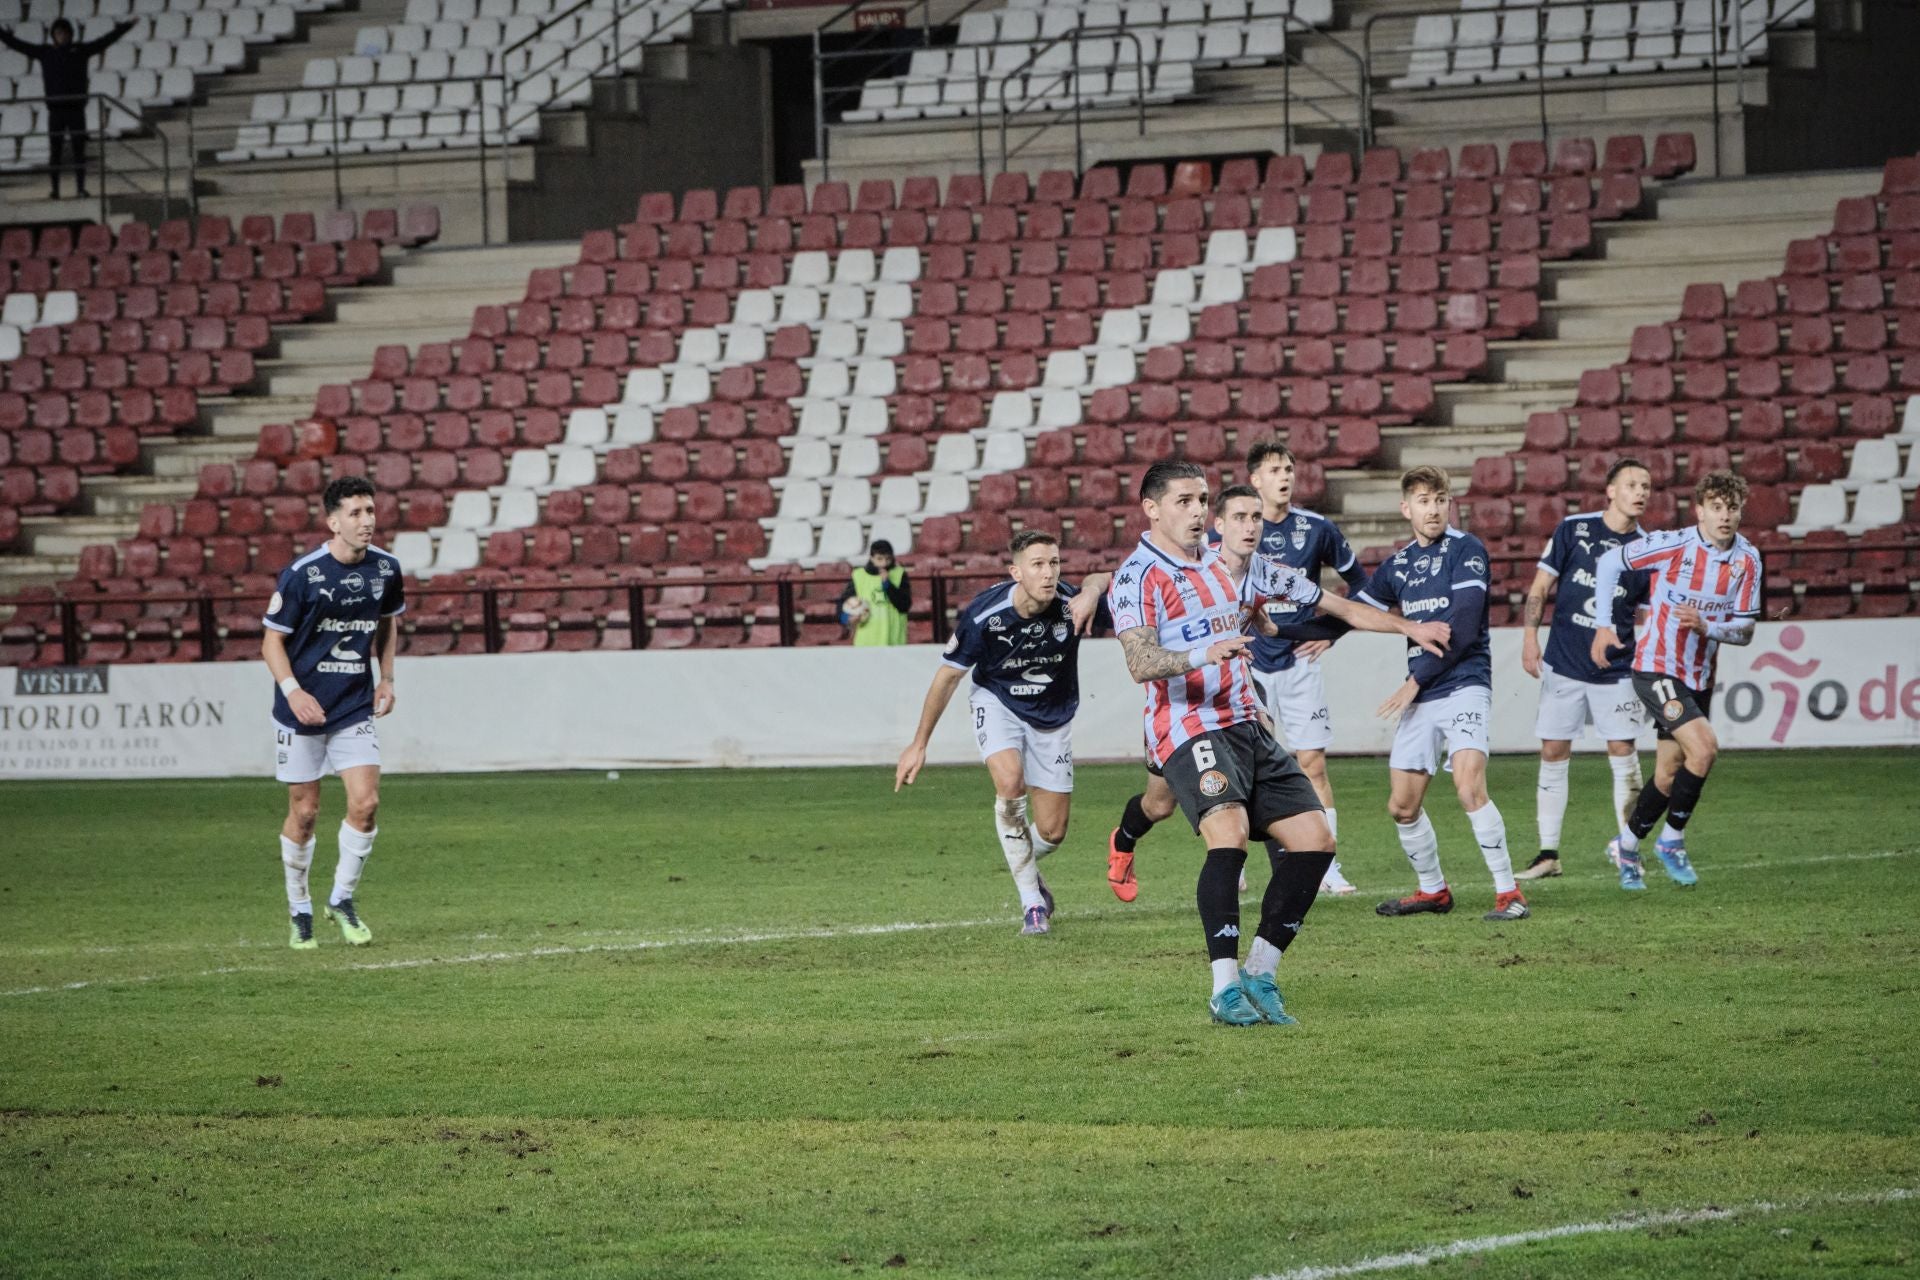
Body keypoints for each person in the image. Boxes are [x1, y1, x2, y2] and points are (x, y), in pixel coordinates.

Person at [1108, 462, 1451, 1026]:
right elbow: (1141, 661)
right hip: (1189, 724)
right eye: (1185, 502)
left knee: (1315, 841)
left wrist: (1408, 627)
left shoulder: (1229, 570)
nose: (1198, 512)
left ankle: (1261, 973)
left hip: (1245, 721)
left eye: (1202, 501)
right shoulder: (1139, 576)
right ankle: (1223, 991)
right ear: (1152, 508)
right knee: (1228, 834)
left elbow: (1333, 607)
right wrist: (1203, 655)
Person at [894, 531, 1107, 935]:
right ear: (1016, 572)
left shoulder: (1071, 604)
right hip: (998, 702)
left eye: (1055, 563)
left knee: (1053, 832)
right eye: (1038, 565)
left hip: (1054, 716)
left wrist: (1093, 589)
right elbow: (946, 679)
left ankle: (1022, 860)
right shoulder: (983, 615)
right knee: (1009, 781)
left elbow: (1112, 578)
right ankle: (1032, 904)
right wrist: (919, 744)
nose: (1048, 573)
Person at [1362, 466, 1530, 923]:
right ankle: (1433, 891)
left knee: (1469, 787)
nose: (1432, 508)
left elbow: (1467, 621)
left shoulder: (1466, 549)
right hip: (1424, 695)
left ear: (1448, 503)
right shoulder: (1397, 566)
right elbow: (1356, 613)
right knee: (1401, 805)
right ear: (1406, 508)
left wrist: (1414, 682)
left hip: (1463, 685)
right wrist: (1293, 631)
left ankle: (1508, 893)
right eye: (1422, 500)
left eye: (1439, 499)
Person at [1589, 470, 1762, 891]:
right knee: (1704, 749)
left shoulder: (1747, 560)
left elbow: (1745, 630)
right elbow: (1610, 560)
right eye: (1716, 508)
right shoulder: (1673, 545)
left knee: (1669, 774)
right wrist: (1603, 624)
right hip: (1656, 666)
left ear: (1740, 512)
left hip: (1698, 674)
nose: (1724, 516)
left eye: (1732, 508)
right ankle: (1672, 840)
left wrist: (1709, 627)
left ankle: (1626, 844)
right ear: (1700, 511)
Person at [261, 476, 404, 949]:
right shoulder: (304, 574)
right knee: (305, 814)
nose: (367, 521)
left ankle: (341, 898)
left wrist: (386, 677)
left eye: (371, 510)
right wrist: (293, 690)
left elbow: (387, 623)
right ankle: (299, 906)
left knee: (366, 803)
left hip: (351, 705)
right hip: (301, 709)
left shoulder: (386, 569)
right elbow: (272, 641)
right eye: (357, 513)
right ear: (333, 521)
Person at [1515, 459, 1655, 880]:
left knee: (1623, 753)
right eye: (1631, 483)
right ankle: (1548, 854)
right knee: (1554, 752)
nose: (1640, 491)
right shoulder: (1574, 529)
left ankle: (1628, 849)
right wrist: (1528, 637)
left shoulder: (1648, 550)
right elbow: (1541, 587)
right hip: (1564, 662)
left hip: (1618, 670)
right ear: (1610, 490)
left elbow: (1647, 616)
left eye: (1646, 485)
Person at [1245, 438, 1369, 895]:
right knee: (1245, 766)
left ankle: (1325, 865)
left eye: (1289, 468)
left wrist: (1328, 635)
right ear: (1255, 479)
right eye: (1275, 469)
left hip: (1298, 665)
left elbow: (1363, 586)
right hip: (1249, 667)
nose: (1285, 477)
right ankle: (1234, 856)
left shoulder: (1316, 528)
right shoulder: (1236, 529)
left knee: (1312, 764)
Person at [0, 17, 135, 200]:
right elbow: (18, 44)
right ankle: (55, 190)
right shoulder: (45, 52)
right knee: (54, 152)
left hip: (76, 109)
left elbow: (105, 41)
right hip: (55, 111)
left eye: (65, 33)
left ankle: (80, 188)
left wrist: (125, 26)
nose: (62, 36)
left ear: (70, 34)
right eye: (58, 33)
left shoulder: (80, 50)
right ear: (53, 36)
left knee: (79, 152)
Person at [840, 539, 911, 646]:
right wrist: (847, 618)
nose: (884, 563)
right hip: (866, 642)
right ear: (871, 558)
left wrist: (887, 584)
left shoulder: (899, 574)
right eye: (879, 559)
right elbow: (844, 603)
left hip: (894, 641)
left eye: (888, 559)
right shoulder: (859, 576)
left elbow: (904, 605)